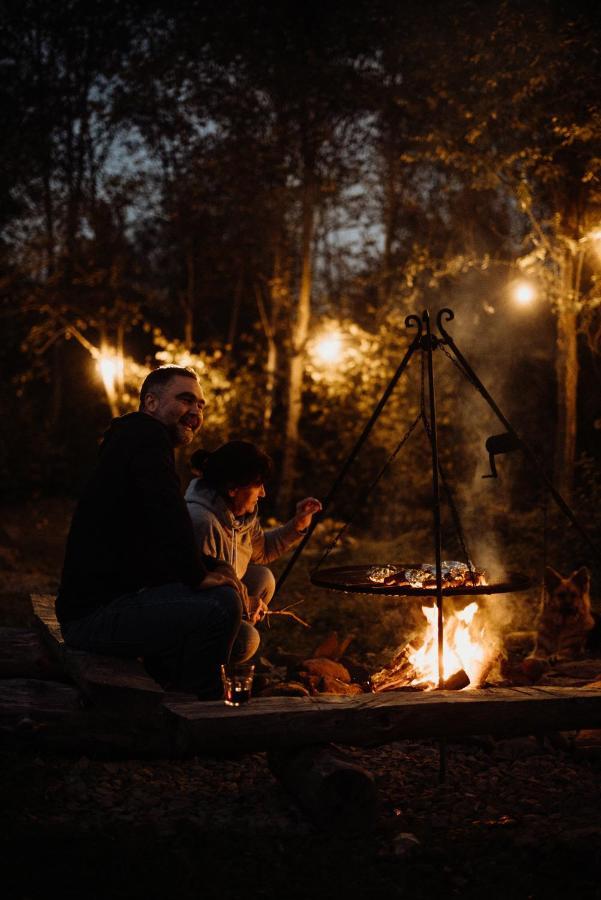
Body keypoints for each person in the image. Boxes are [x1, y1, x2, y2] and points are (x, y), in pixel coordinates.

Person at [56, 364, 247, 699]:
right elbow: (167, 515)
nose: (195, 411)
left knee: (235, 625)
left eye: (201, 405)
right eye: (186, 400)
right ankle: (197, 707)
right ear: (151, 403)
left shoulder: (133, 441)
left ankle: (170, 679)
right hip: (93, 618)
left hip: (105, 605)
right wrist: (197, 575)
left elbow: (153, 537)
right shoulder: (147, 439)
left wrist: (215, 566)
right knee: (221, 605)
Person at [185, 440, 322, 660]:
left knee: (263, 577)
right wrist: (245, 601)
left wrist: (299, 523)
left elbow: (264, 551)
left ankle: (227, 644)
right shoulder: (202, 522)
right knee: (247, 640)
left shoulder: (241, 515)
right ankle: (202, 664)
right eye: (258, 486)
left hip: (224, 596)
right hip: (195, 612)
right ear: (233, 489)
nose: (263, 493)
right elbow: (201, 593)